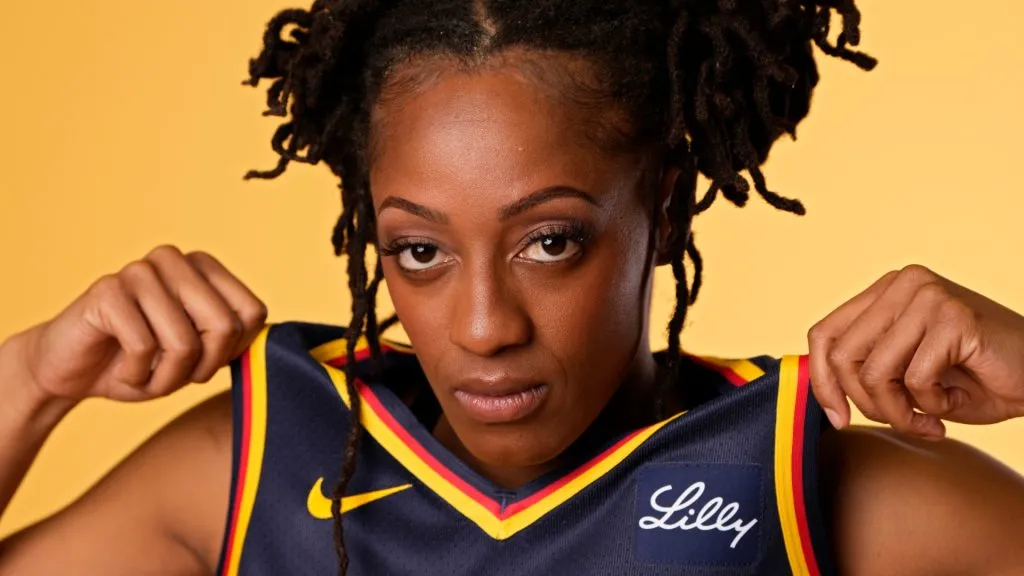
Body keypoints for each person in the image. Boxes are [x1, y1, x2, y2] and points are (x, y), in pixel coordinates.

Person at [1, 0, 1023, 575]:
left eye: (548, 242)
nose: (483, 328)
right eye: (419, 252)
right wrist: (35, 376)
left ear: (663, 209)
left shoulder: (810, 486)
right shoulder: (257, 466)